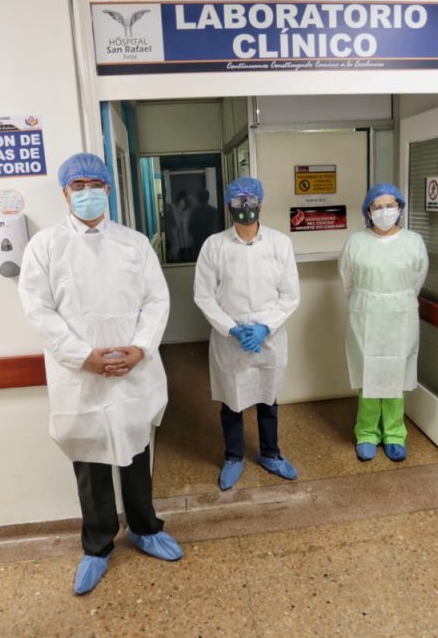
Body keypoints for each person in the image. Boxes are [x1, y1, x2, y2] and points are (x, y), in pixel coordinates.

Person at [18, 153, 183, 596]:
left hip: (133, 370)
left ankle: (146, 528)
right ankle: (97, 545)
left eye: (96, 183)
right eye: (79, 185)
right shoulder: (45, 247)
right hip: (82, 374)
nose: (88, 192)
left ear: (108, 189)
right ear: (65, 192)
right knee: (90, 461)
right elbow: (38, 308)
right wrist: (82, 356)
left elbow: (156, 301)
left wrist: (140, 348)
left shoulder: (134, 243)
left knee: (135, 454)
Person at [193, 176, 301, 490]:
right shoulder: (214, 246)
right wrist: (232, 329)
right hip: (230, 338)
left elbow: (290, 295)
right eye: (239, 201)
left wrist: (265, 325)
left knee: (268, 398)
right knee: (232, 400)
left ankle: (271, 453)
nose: (245, 207)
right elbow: (203, 295)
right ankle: (234, 456)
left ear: (260, 203)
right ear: (228, 205)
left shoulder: (280, 243)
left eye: (250, 200)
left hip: (268, 337)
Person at [338, 183, 429, 462]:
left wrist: (394, 300)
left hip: (401, 315)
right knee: (368, 374)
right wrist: (372, 300)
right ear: (368, 211)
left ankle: (394, 433)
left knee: (394, 375)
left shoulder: (413, 242)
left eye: (390, 205)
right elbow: (347, 281)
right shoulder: (355, 242)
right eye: (378, 207)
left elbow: (416, 280)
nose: (385, 211)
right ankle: (366, 432)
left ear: (400, 208)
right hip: (365, 314)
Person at [188, 187, 219, 260]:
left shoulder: (195, 212)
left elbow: (190, 227)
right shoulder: (214, 211)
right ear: (208, 197)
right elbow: (217, 227)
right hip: (211, 242)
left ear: (198, 198)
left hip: (198, 242)